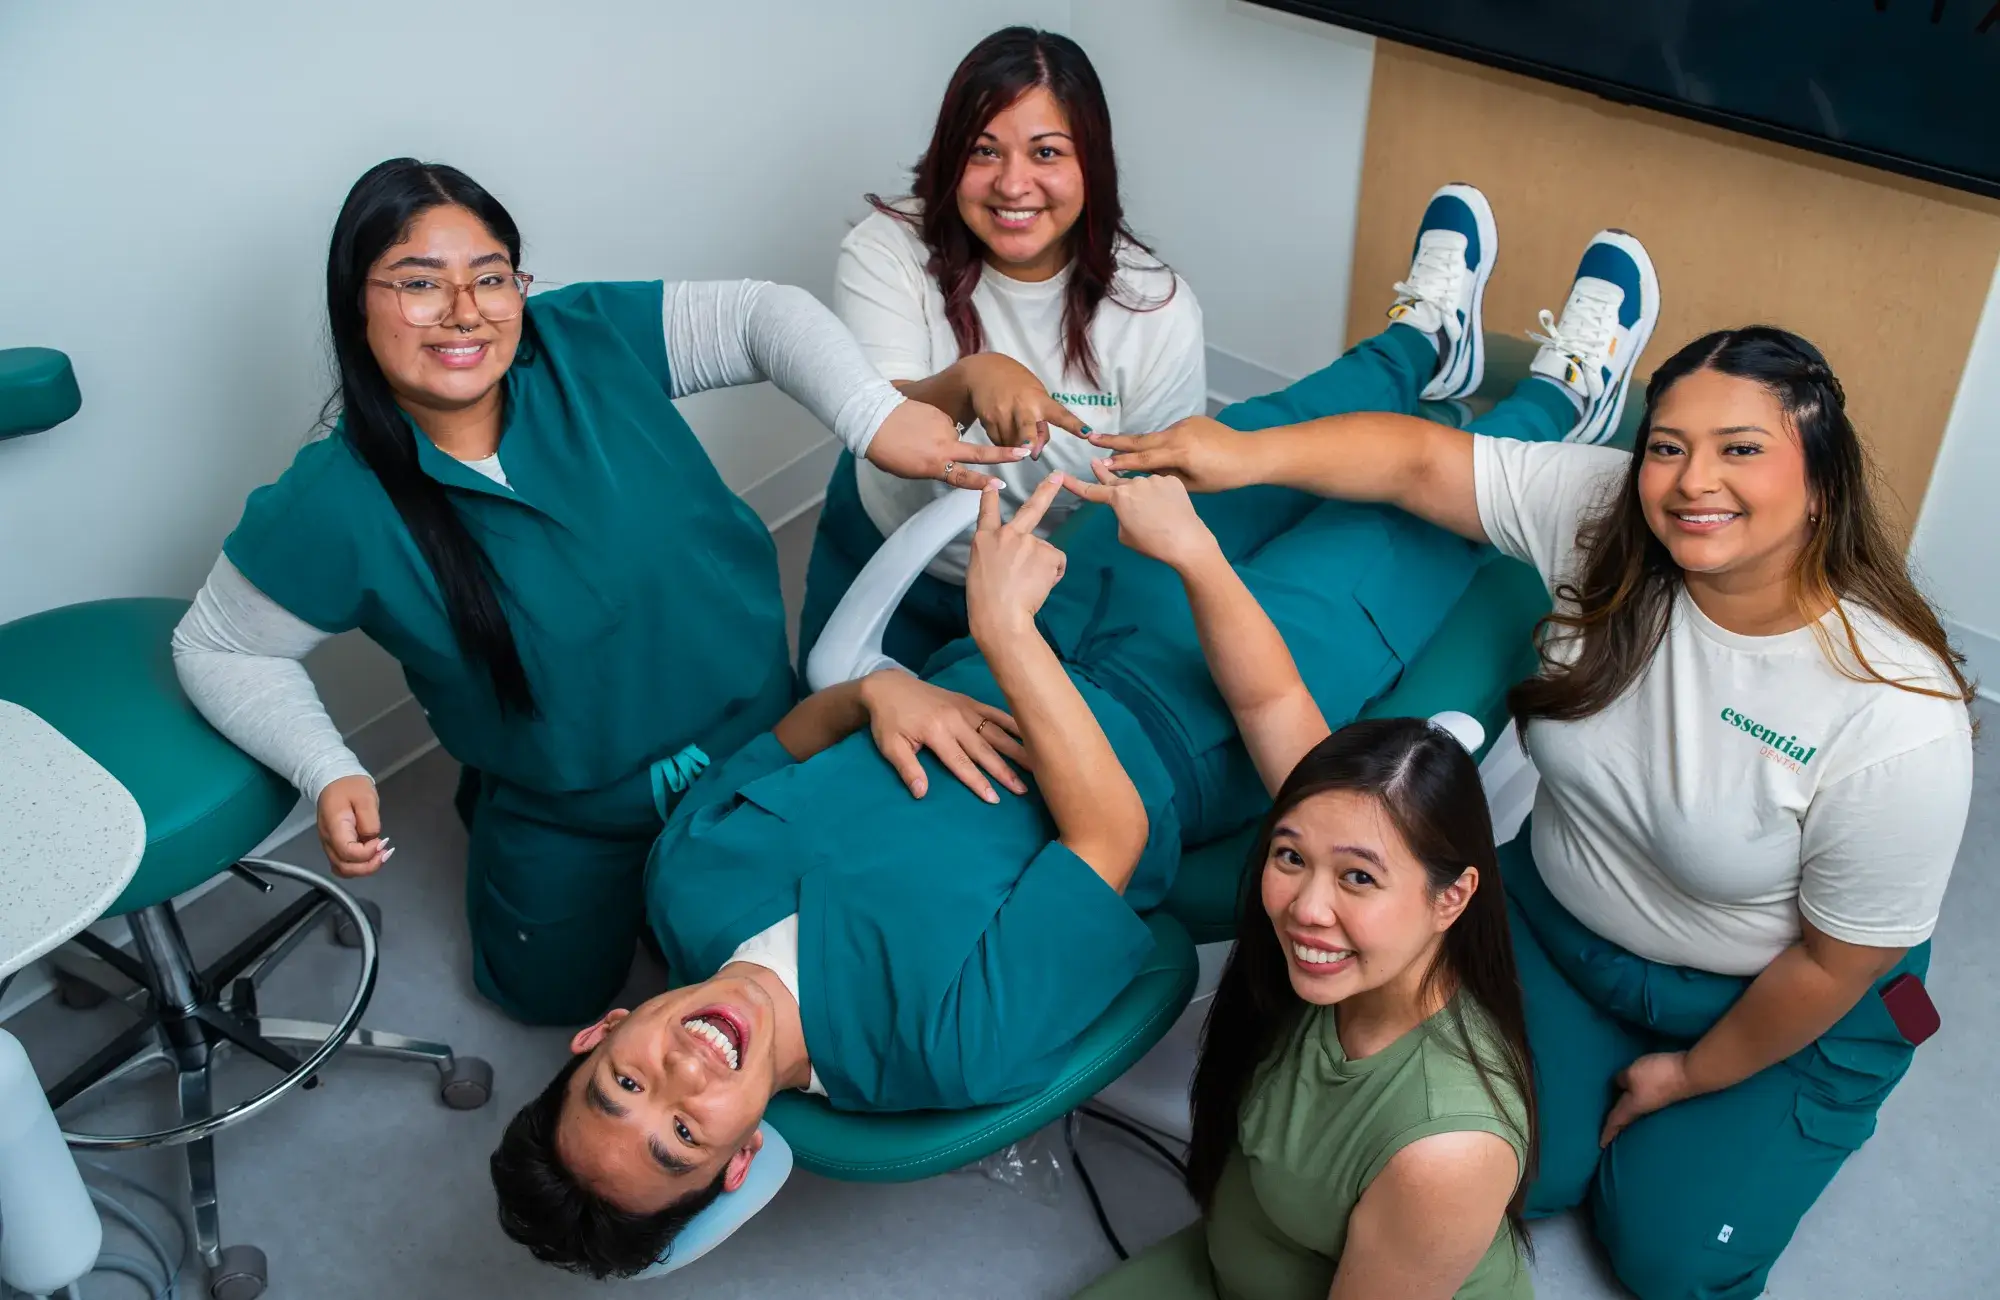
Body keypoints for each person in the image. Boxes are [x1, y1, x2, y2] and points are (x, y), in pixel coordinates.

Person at [487, 184, 1607, 1279]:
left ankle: (1422, 345)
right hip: (1195, 718)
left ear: (600, 1034)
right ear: (737, 1166)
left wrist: (880, 698)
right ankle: (1558, 406)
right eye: (685, 1134)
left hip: (1069, 594)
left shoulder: (681, 881)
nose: (681, 1074)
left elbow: (797, 730)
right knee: (1402, 531)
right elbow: (1109, 837)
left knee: (1253, 436)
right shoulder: (935, 1041)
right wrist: (1005, 639)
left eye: (624, 1086)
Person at [1088, 209, 1975, 1297]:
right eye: (1666, 446)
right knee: (1510, 1176)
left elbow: (1834, 961)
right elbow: (1417, 461)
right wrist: (1239, 451)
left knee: (1663, 1258)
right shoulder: (1609, 521)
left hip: (1767, 989)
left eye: (1741, 451)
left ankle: (1777, 1112)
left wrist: (1692, 1071)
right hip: (1557, 926)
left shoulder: (1895, 715)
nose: (1692, 482)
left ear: (1821, 483)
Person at [172, 158, 1030, 1027]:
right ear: (356, 303)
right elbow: (217, 646)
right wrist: (329, 768)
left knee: (760, 953)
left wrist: (872, 417)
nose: (464, 311)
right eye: (420, 284)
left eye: (490, 278)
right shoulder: (332, 500)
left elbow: (760, 315)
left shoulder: (577, 337)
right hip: (569, 801)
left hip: (759, 735)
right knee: (548, 1000)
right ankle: (502, 818)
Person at [1059, 472, 1536, 1297]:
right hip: (1236, 1261)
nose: (1306, 908)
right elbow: (1270, 696)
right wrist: (1192, 549)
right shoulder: (1341, 833)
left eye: (1358, 878)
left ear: (1450, 897)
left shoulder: (1447, 1148)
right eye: (1289, 858)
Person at [797, 25, 1207, 674]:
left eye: (1046, 153)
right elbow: (875, 419)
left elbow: (1156, 490)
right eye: (985, 151)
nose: (1013, 186)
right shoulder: (886, 253)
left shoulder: (1157, 312)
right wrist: (972, 380)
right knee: (819, 734)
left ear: (1091, 165)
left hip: (1046, 587)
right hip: (886, 549)